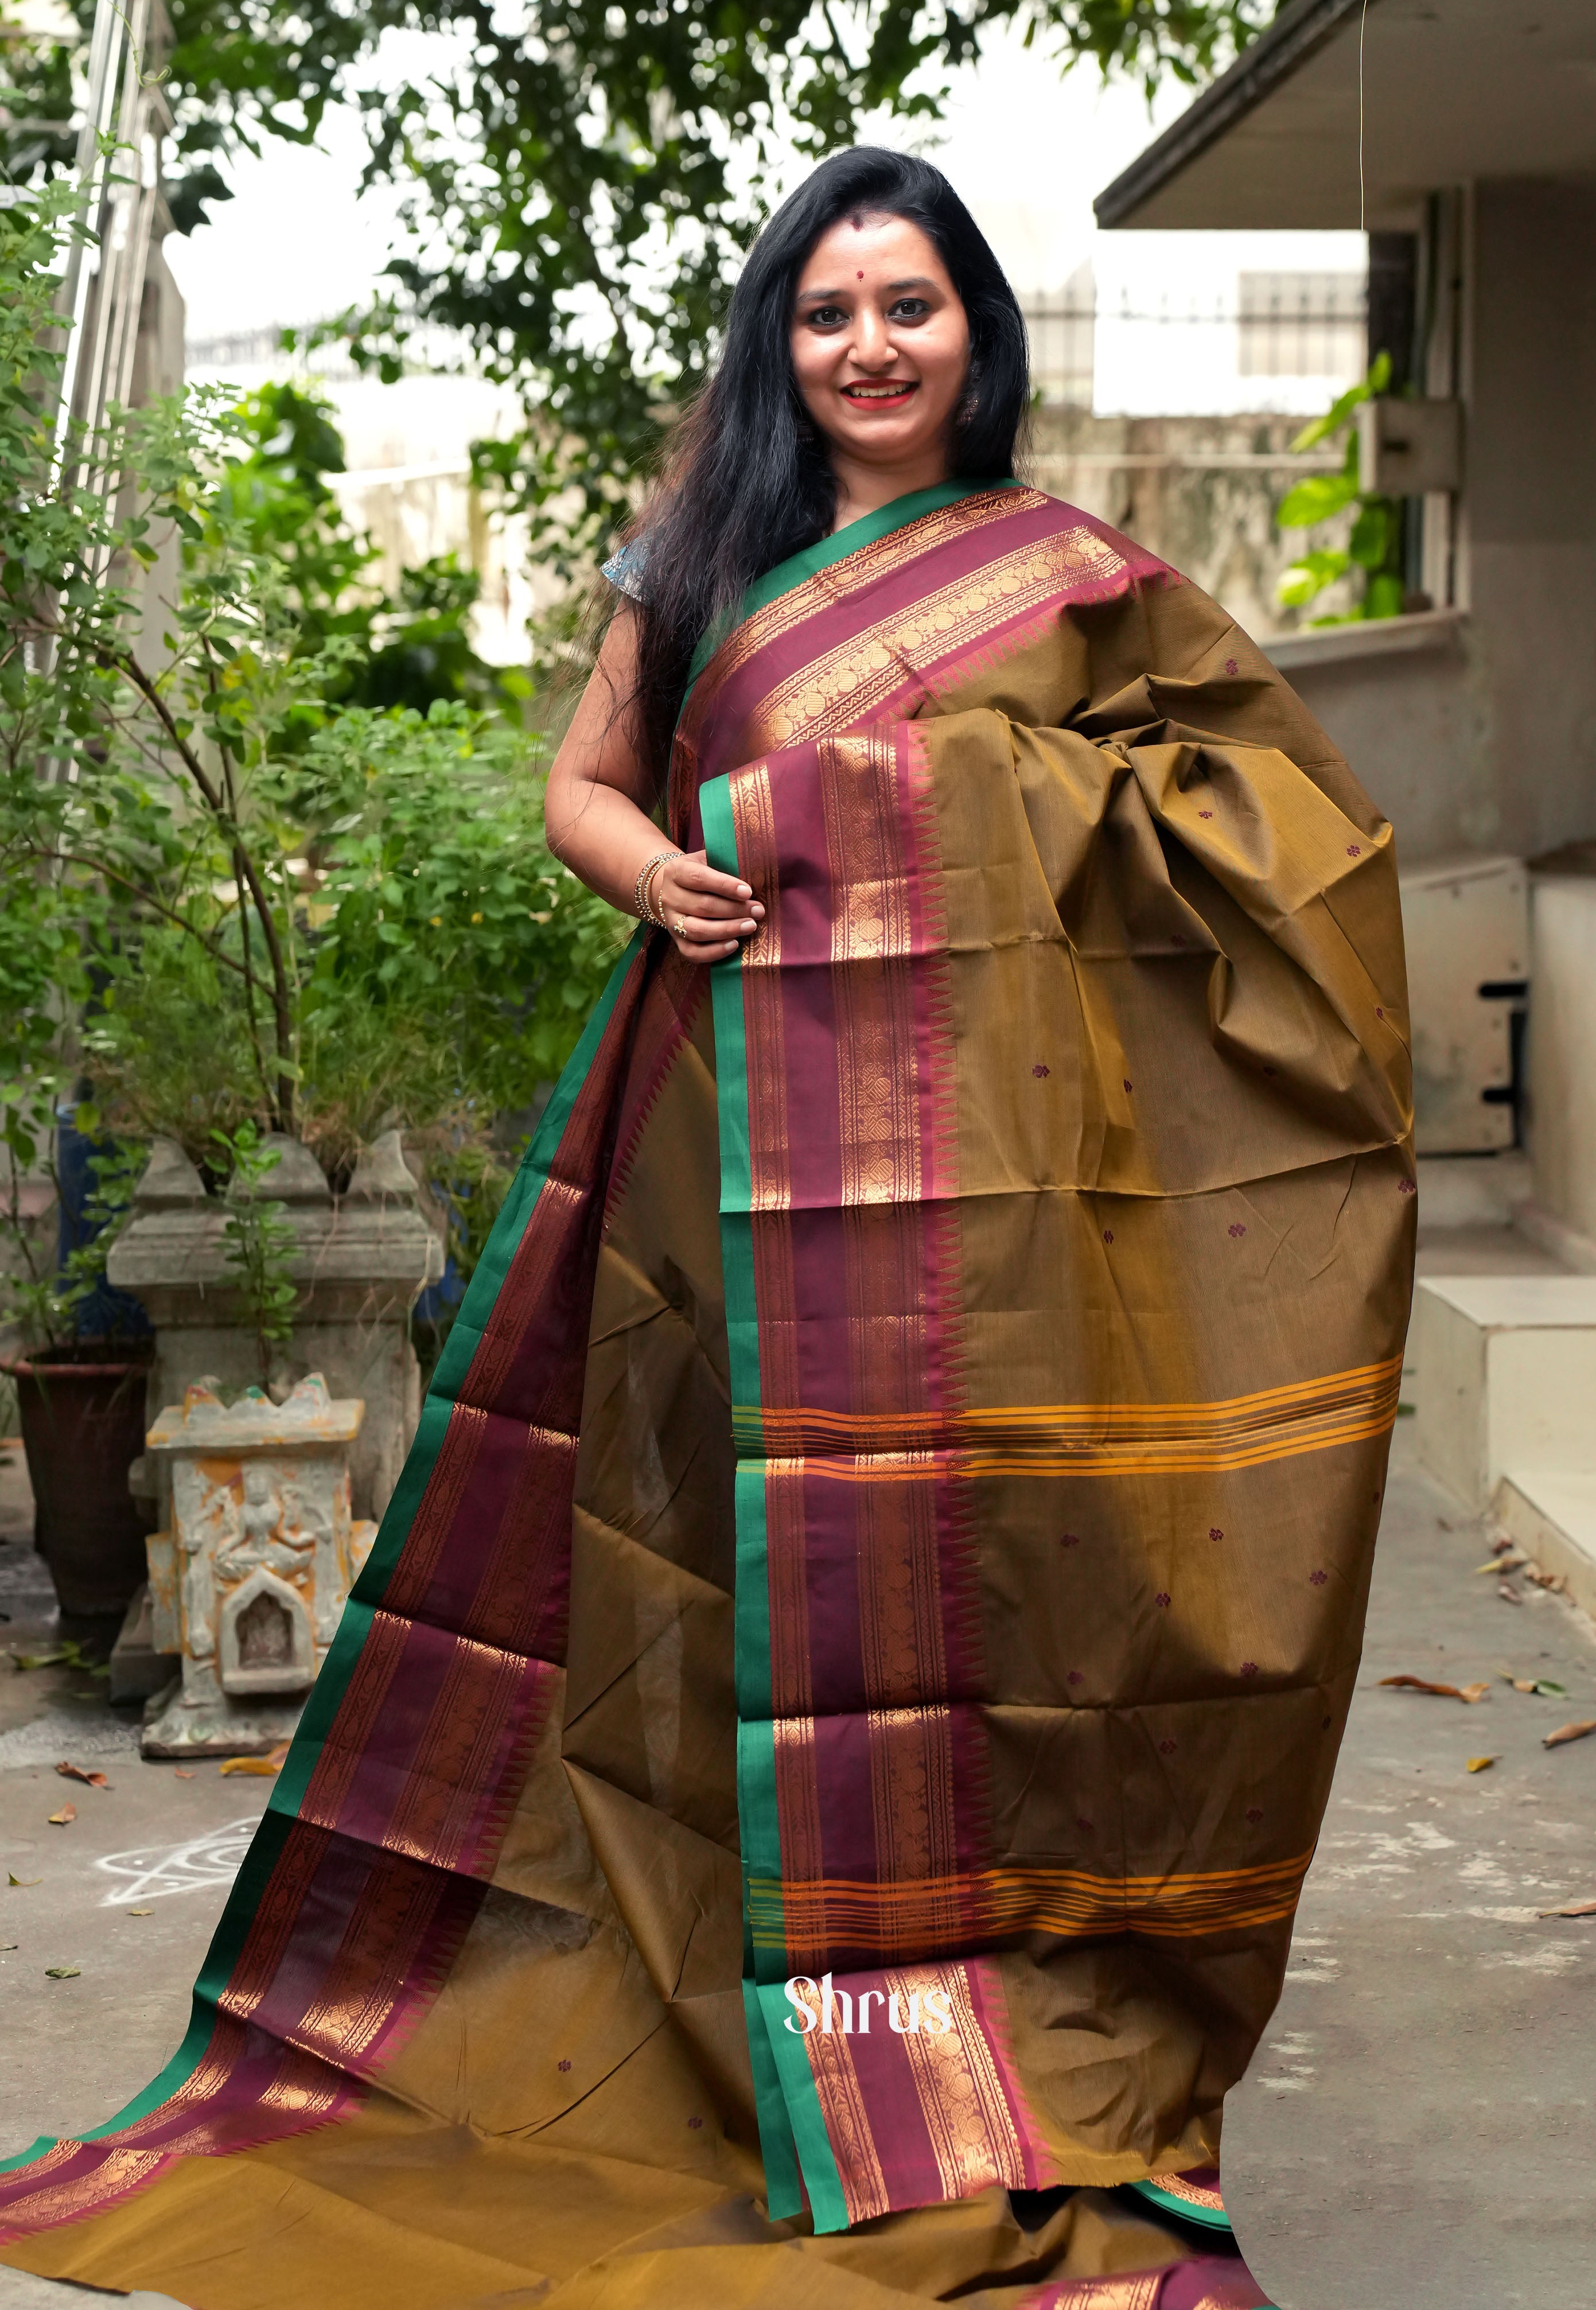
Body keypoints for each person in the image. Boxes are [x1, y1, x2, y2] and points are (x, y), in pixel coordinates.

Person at [0, 147, 1412, 2308]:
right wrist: (649, 868)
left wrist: (969, 807)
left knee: (977, 1605)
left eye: (912, 307)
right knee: (716, 1594)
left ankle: (970, 2038)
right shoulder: (702, 563)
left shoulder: (1075, 580)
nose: (870, 347)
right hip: (721, 1170)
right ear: (781, 342)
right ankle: (747, 2032)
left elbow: (1275, 833)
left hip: (989, 1222)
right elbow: (586, 784)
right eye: (830, 312)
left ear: (976, 337)